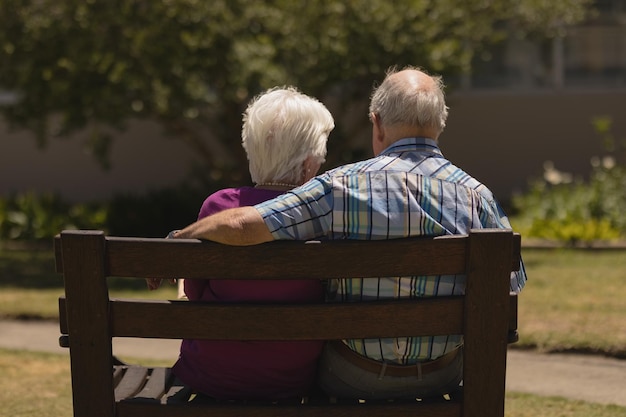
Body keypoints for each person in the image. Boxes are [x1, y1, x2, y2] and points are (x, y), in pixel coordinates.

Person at [168, 66, 527, 400]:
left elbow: (243, 225)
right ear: (439, 124)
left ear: (377, 124)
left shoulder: (339, 187)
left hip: (353, 374)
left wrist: (182, 240)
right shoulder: (478, 196)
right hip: (440, 373)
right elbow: (506, 294)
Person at [150, 86, 334, 401]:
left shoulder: (219, 207)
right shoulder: (326, 214)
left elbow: (195, 293)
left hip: (211, 377)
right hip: (292, 381)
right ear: (307, 166)